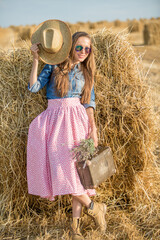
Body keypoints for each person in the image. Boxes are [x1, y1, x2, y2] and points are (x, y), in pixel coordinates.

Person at [27, 20, 106, 240]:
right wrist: (36, 60)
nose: (83, 52)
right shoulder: (53, 66)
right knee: (63, 171)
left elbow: (89, 104)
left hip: (77, 121)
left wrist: (94, 129)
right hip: (54, 120)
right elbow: (33, 87)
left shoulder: (86, 72)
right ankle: (94, 207)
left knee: (77, 175)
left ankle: (75, 229)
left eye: (87, 49)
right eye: (79, 47)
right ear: (70, 47)